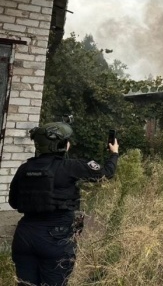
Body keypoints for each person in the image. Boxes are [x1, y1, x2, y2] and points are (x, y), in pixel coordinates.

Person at [8, 122, 119, 286]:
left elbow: (13, 202)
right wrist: (114, 153)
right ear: (60, 145)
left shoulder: (24, 168)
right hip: (55, 238)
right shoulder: (70, 166)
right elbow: (106, 174)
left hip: (25, 237)